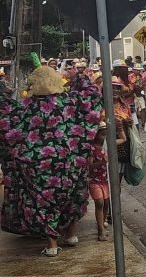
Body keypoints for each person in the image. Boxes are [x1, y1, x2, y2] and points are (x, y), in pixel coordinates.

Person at [0, 63, 103, 256]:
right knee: (72, 196)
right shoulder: (69, 102)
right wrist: (78, 77)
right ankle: (71, 235)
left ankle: (53, 245)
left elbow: (6, 117)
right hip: (70, 162)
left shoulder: (24, 109)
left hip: (39, 166)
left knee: (44, 201)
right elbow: (93, 95)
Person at [87, 122, 112, 241]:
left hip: (105, 180)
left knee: (106, 203)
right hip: (95, 180)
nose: (104, 137)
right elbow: (89, 166)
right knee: (100, 202)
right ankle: (101, 230)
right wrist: (101, 163)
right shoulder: (92, 149)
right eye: (102, 134)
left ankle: (101, 224)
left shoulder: (107, 148)